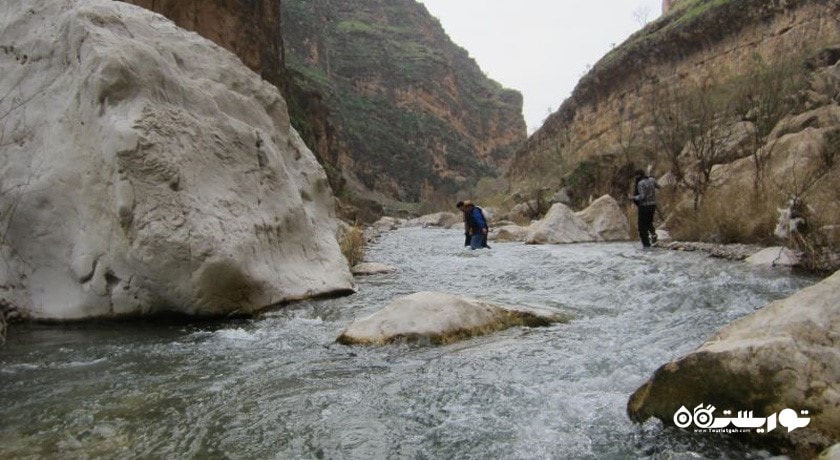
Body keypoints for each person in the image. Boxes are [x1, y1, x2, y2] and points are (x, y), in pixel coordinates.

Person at [631, 170, 659, 248]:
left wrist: (633, 197)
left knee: (642, 226)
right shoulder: (652, 180)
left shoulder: (640, 183)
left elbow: (642, 196)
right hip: (653, 205)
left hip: (644, 206)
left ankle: (646, 245)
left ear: (638, 175)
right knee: (649, 222)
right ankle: (653, 234)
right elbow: (659, 186)